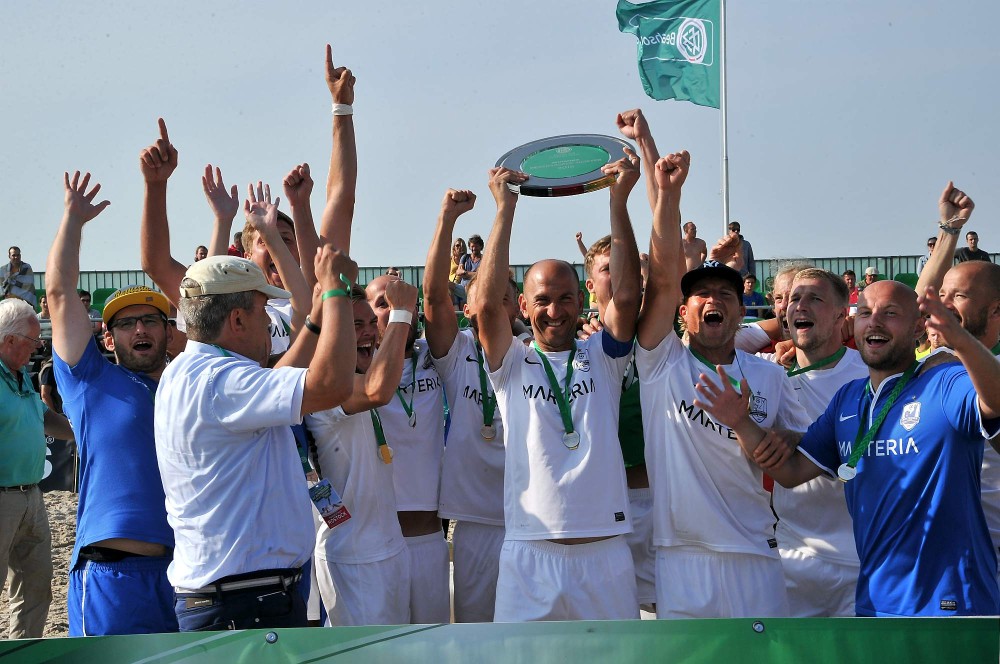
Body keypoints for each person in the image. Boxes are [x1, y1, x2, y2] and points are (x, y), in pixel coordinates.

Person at [695, 278, 1000, 616]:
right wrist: (741, 423)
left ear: (918, 328)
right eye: (866, 312)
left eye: (891, 313)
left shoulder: (943, 382)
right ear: (854, 324)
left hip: (951, 601)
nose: (876, 321)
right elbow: (790, 472)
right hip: (876, 600)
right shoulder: (849, 399)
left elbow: (996, 401)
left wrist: (958, 338)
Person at [636, 150, 810, 620]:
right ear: (683, 311)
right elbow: (662, 276)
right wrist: (669, 195)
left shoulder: (771, 377)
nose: (714, 301)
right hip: (681, 558)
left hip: (756, 554)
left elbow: (800, 463)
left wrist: (788, 440)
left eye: (726, 295)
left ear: (740, 309)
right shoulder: (660, 362)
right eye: (702, 296)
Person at [479, 141, 643, 622]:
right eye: (543, 300)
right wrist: (504, 211)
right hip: (531, 551)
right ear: (524, 307)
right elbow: (487, 307)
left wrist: (619, 200)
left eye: (566, 298)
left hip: (605, 550)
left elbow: (629, 295)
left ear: (582, 299)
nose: (556, 310)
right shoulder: (510, 363)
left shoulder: (603, 356)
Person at [46, 171, 178, 635]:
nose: (140, 330)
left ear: (168, 332)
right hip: (111, 577)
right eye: (126, 324)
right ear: (107, 335)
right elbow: (60, 294)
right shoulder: (90, 380)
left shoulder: (184, 389)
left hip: (184, 576)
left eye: (150, 320)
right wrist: (73, 221)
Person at [424, 188, 513, 622]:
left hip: (533, 522)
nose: (498, 300)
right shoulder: (457, 350)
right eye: (488, 291)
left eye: (506, 293)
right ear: (469, 305)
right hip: (475, 521)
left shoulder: (536, 355)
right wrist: (447, 220)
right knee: (479, 640)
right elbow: (434, 299)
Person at [306, 281, 417, 626]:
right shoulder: (327, 387)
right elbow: (377, 390)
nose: (369, 333)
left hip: (387, 548)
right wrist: (401, 313)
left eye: (372, 322)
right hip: (353, 557)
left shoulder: (357, 375)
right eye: (356, 325)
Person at [915, 182, 1000, 583]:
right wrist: (949, 228)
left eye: (959, 296)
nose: (943, 304)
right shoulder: (924, 365)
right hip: (935, 566)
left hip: (989, 564)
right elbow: (919, 303)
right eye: (941, 294)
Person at [772, 268, 868, 617]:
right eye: (795, 298)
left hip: (861, 560)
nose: (801, 306)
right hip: (791, 557)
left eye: (815, 298)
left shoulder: (870, 375)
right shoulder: (767, 374)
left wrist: (806, 442)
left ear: (842, 314)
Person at [366, 273, 449, 624]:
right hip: (376, 547)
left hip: (430, 540)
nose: (397, 310)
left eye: (404, 302)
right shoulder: (356, 368)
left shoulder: (437, 356)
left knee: (433, 651)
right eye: (383, 304)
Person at [0, 298, 74, 638]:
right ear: (10, 340)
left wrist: (81, 431)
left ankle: (22, 655)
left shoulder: (20, 376)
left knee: (37, 586)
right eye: (33, 340)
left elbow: (42, 418)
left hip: (32, 495)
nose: (39, 345)